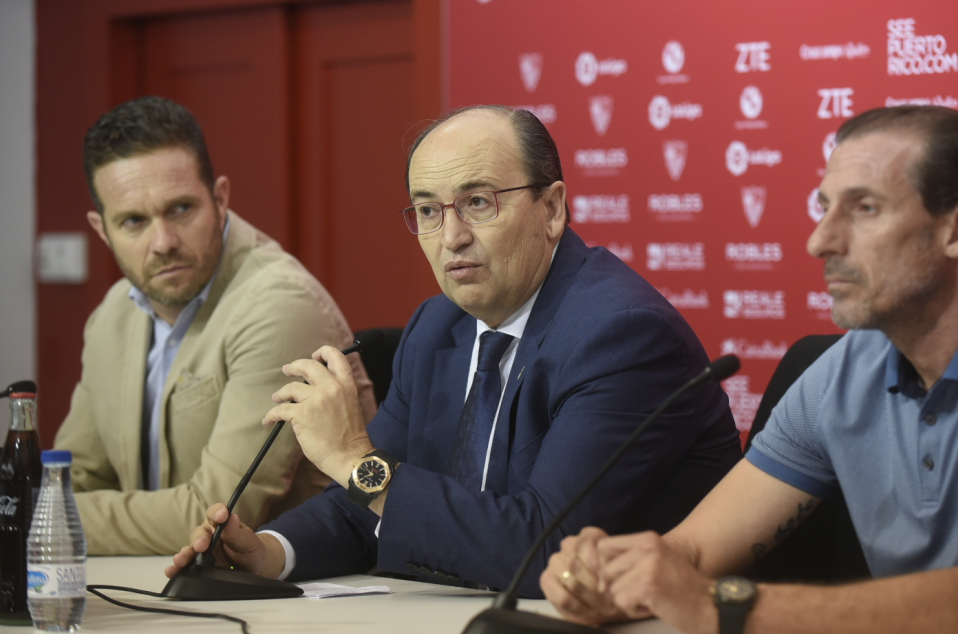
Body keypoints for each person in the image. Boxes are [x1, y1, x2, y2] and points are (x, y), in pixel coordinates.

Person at [542, 106, 958, 633]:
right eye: (825, 207)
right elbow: (692, 552)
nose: (820, 240)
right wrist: (615, 577)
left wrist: (720, 608)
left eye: (865, 209)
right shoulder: (844, 369)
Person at [166, 105, 743, 598]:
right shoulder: (440, 325)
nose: (451, 237)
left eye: (479, 203)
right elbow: (365, 503)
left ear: (552, 209)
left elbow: (546, 548)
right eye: (427, 210)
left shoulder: (622, 335)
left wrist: (353, 460)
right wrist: (266, 553)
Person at [55, 96, 376, 556]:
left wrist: (38, 513)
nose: (163, 242)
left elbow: (216, 515)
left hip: (290, 600)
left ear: (220, 198)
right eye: (133, 222)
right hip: (148, 585)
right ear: (102, 230)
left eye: (181, 209)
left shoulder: (279, 304)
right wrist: (46, 505)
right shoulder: (111, 316)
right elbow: (76, 478)